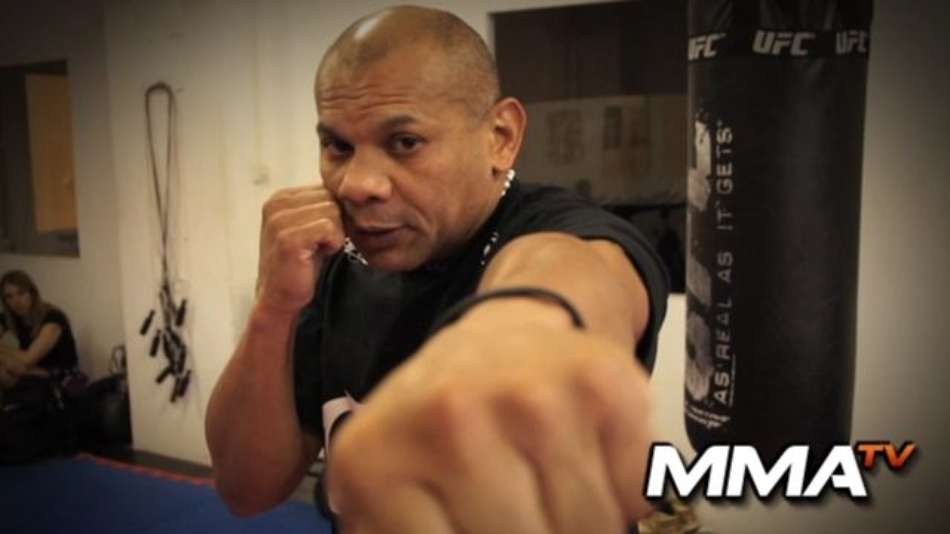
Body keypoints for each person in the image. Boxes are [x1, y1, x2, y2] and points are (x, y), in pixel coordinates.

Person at [206, 6, 669, 534]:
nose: (357, 184)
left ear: (500, 136)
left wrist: (526, 325)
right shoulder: (332, 260)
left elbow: (573, 266)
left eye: (405, 143)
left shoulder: (557, 228)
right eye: (338, 146)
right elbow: (245, 490)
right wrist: (274, 307)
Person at [0, 270, 80, 392]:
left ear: (32, 293)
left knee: (6, 368)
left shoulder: (53, 318)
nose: (16, 301)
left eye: (21, 293)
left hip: (61, 375)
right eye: (9, 296)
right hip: (34, 369)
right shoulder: (13, 316)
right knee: (5, 367)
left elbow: (28, 358)